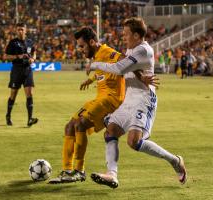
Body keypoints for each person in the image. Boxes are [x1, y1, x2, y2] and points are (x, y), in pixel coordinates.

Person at [87, 17, 187, 189]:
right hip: (130, 98)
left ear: (135, 35)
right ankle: (112, 175)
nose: (123, 37)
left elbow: (120, 68)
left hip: (144, 99)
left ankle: (175, 161)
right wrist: (141, 75)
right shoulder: (131, 48)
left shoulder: (143, 50)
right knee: (110, 131)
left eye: (126, 34)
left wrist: (94, 64)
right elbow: (130, 69)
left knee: (134, 142)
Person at [48, 26, 156, 184]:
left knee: (81, 124)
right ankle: (68, 170)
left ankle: (78, 171)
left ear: (92, 42)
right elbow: (103, 71)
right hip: (100, 98)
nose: (80, 50)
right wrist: (90, 80)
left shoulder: (107, 51)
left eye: (82, 46)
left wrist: (141, 77)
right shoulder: (97, 55)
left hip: (111, 100)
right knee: (70, 126)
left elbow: (123, 60)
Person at [5, 23, 38, 127]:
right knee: (13, 95)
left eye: (22, 29)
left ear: (25, 30)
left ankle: (29, 119)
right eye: (18, 29)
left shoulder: (30, 42)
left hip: (27, 70)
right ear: (16, 31)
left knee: (30, 94)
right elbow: (6, 56)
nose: (20, 31)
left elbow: (34, 52)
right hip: (17, 70)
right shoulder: (13, 43)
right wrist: (18, 56)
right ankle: (8, 116)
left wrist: (33, 59)